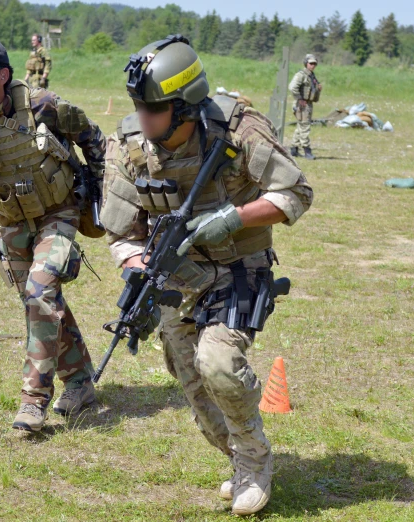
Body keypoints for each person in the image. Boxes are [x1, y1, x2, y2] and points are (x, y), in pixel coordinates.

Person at [100, 35, 313, 515]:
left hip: (240, 264)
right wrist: (140, 271)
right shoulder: (130, 144)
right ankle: (238, 457)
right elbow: (120, 233)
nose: (141, 117)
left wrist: (233, 218)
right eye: (137, 105)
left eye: (151, 107)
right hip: (176, 275)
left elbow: (297, 192)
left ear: (183, 108)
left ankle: (255, 460)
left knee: (218, 363)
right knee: (192, 380)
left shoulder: (237, 130)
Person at [0, 38, 106, 432]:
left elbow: (93, 136)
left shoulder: (43, 104)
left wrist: (97, 188)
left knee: (39, 292)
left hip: (58, 210)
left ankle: (34, 400)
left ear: (2, 76)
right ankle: (80, 382)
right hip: (12, 223)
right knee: (41, 302)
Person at [289, 54, 322, 160]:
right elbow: (292, 87)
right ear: (306, 63)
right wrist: (300, 98)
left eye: (314, 64)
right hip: (302, 105)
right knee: (305, 127)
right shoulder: (301, 75)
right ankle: (307, 151)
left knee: (301, 127)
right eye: (311, 63)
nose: (313, 65)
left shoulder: (311, 75)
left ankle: (294, 149)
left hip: (308, 103)